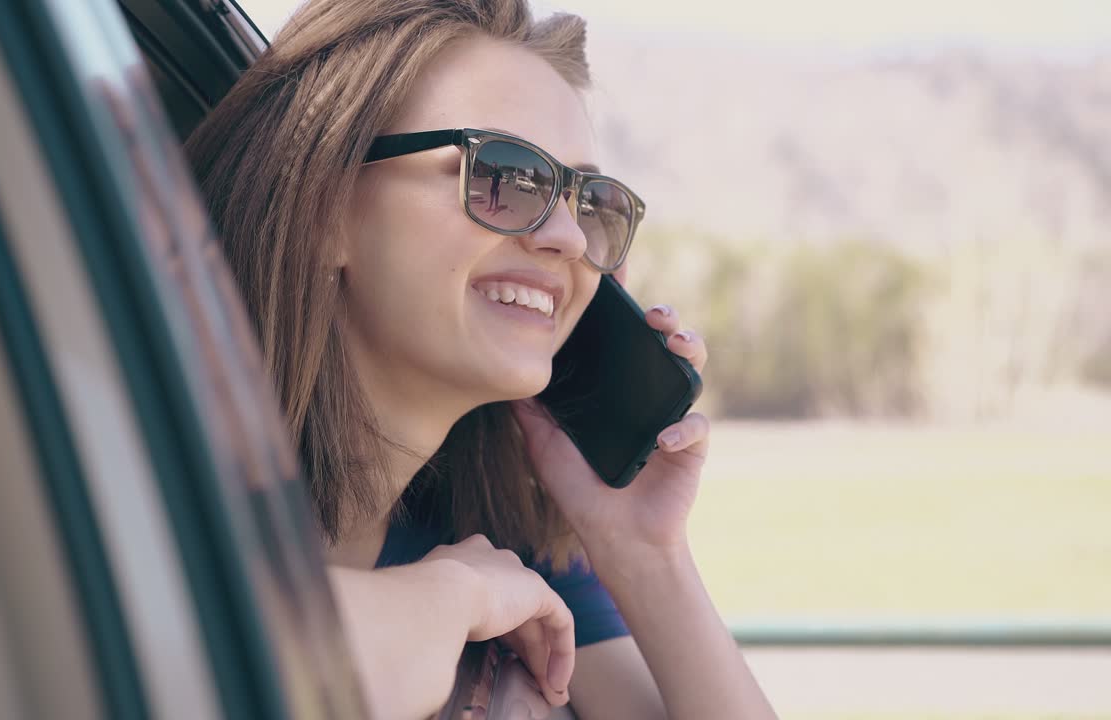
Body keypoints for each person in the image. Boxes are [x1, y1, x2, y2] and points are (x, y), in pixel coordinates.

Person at [185, 1, 777, 718]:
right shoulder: (154, 477)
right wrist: (452, 595)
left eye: (589, 202)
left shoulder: (508, 536)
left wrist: (645, 554)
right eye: (505, 177)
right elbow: (187, 661)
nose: (565, 236)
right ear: (323, 207)